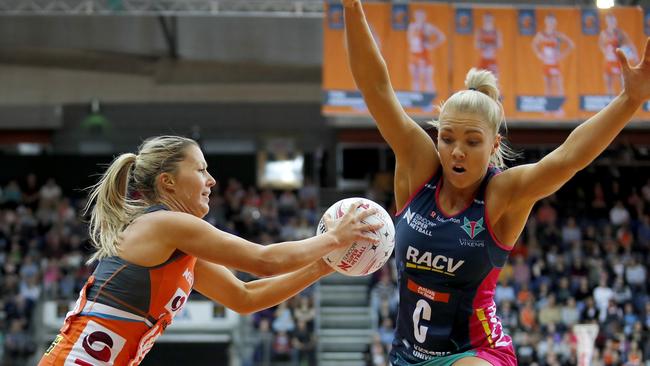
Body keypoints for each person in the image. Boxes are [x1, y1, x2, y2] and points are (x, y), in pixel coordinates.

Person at [342, 0, 650, 364]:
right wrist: (351, 5)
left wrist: (630, 100)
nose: (457, 151)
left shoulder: (501, 193)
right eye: (448, 138)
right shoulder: (418, 168)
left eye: (472, 142)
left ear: (493, 146)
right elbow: (376, 88)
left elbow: (569, 157)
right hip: (406, 355)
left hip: (479, 353)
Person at [38, 135, 382, 365]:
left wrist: (323, 266)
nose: (212, 180)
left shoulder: (174, 241)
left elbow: (244, 297)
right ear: (167, 182)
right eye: (201, 169)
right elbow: (264, 261)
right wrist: (334, 238)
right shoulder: (168, 224)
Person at [531, 14, 574, 97]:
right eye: (549, 21)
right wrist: (539, 54)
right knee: (547, 85)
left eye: (552, 22)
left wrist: (562, 55)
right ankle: (548, 107)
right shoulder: (541, 35)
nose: (550, 24)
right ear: (545, 22)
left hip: (555, 63)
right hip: (546, 63)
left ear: (555, 23)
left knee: (558, 84)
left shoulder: (557, 35)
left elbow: (571, 44)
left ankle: (560, 106)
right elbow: (534, 44)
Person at [599, 13, 639, 96]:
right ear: (606, 21)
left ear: (615, 22)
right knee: (608, 82)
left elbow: (630, 45)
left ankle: (623, 101)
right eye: (609, 21)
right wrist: (605, 52)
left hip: (618, 62)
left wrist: (635, 56)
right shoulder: (603, 34)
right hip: (609, 62)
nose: (611, 22)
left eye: (612, 20)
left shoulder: (620, 33)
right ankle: (610, 103)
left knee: (622, 83)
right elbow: (601, 45)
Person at [407, 9, 445, 93]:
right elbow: (410, 41)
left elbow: (442, 37)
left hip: (424, 55)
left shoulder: (428, 27)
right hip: (414, 55)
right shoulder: (412, 26)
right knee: (415, 78)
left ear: (424, 17)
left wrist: (431, 45)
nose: (419, 18)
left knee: (427, 78)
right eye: (417, 16)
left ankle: (430, 100)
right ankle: (415, 99)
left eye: (421, 16)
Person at [474, 12, 502, 77]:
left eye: (489, 20)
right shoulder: (479, 31)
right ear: (483, 20)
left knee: (494, 78)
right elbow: (476, 45)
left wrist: (491, 45)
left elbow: (499, 45)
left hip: (492, 59)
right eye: (486, 20)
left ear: (492, 20)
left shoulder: (496, 31)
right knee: (481, 78)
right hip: (483, 59)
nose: (488, 22)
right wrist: (484, 45)